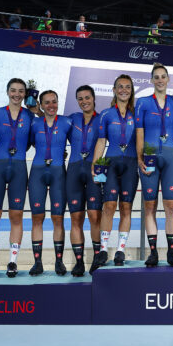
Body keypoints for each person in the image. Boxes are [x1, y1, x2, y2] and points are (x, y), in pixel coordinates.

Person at [0, 78, 38, 278]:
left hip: (19, 168)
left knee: (16, 215)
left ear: (25, 94)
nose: (17, 94)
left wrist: (35, 106)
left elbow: (36, 139)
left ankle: (13, 262)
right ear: (7, 91)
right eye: (13, 90)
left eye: (21, 91)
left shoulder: (29, 115)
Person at [91, 75, 139, 272]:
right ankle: (103, 249)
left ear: (131, 90)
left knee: (126, 208)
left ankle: (120, 250)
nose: (124, 90)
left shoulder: (137, 113)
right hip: (110, 163)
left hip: (131, 164)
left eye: (127, 87)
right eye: (120, 86)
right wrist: (95, 164)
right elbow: (101, 141)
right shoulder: (106, 114)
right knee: (108, 206)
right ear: (114, 90)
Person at [135, 63, 173, 267]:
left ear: (168, 79)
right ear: (151, 80)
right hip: (150, 156)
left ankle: (171, 252)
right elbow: (139, 132)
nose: (160, 80)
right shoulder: (143, 102)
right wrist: (139, 158)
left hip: (171, 157)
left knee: (171, 207)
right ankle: (153, 252)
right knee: (150, 206)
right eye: (157, 77)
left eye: (163, 76)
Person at [28, 90, 72, 276]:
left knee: (58, 218)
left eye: (54, 101)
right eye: (47, 102)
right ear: (41, 104)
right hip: (38, 172)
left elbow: (79, 142)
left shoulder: (67, 122)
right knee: (37, 218)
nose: (51, 105)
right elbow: (29, 143)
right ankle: (37, 263)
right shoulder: (34, 123)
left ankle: (59, 262)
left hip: (58, 173)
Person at [66, 85, 102, 277]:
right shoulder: (72, 118)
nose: (84, 101)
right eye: (80, 98)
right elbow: (52, 124)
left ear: (94, 98)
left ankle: (97, 259)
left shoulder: (102, 118)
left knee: (95, 216)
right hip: (74, 170)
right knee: (76, 218)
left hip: (93, 170)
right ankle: (79, 262)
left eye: (87, 97)